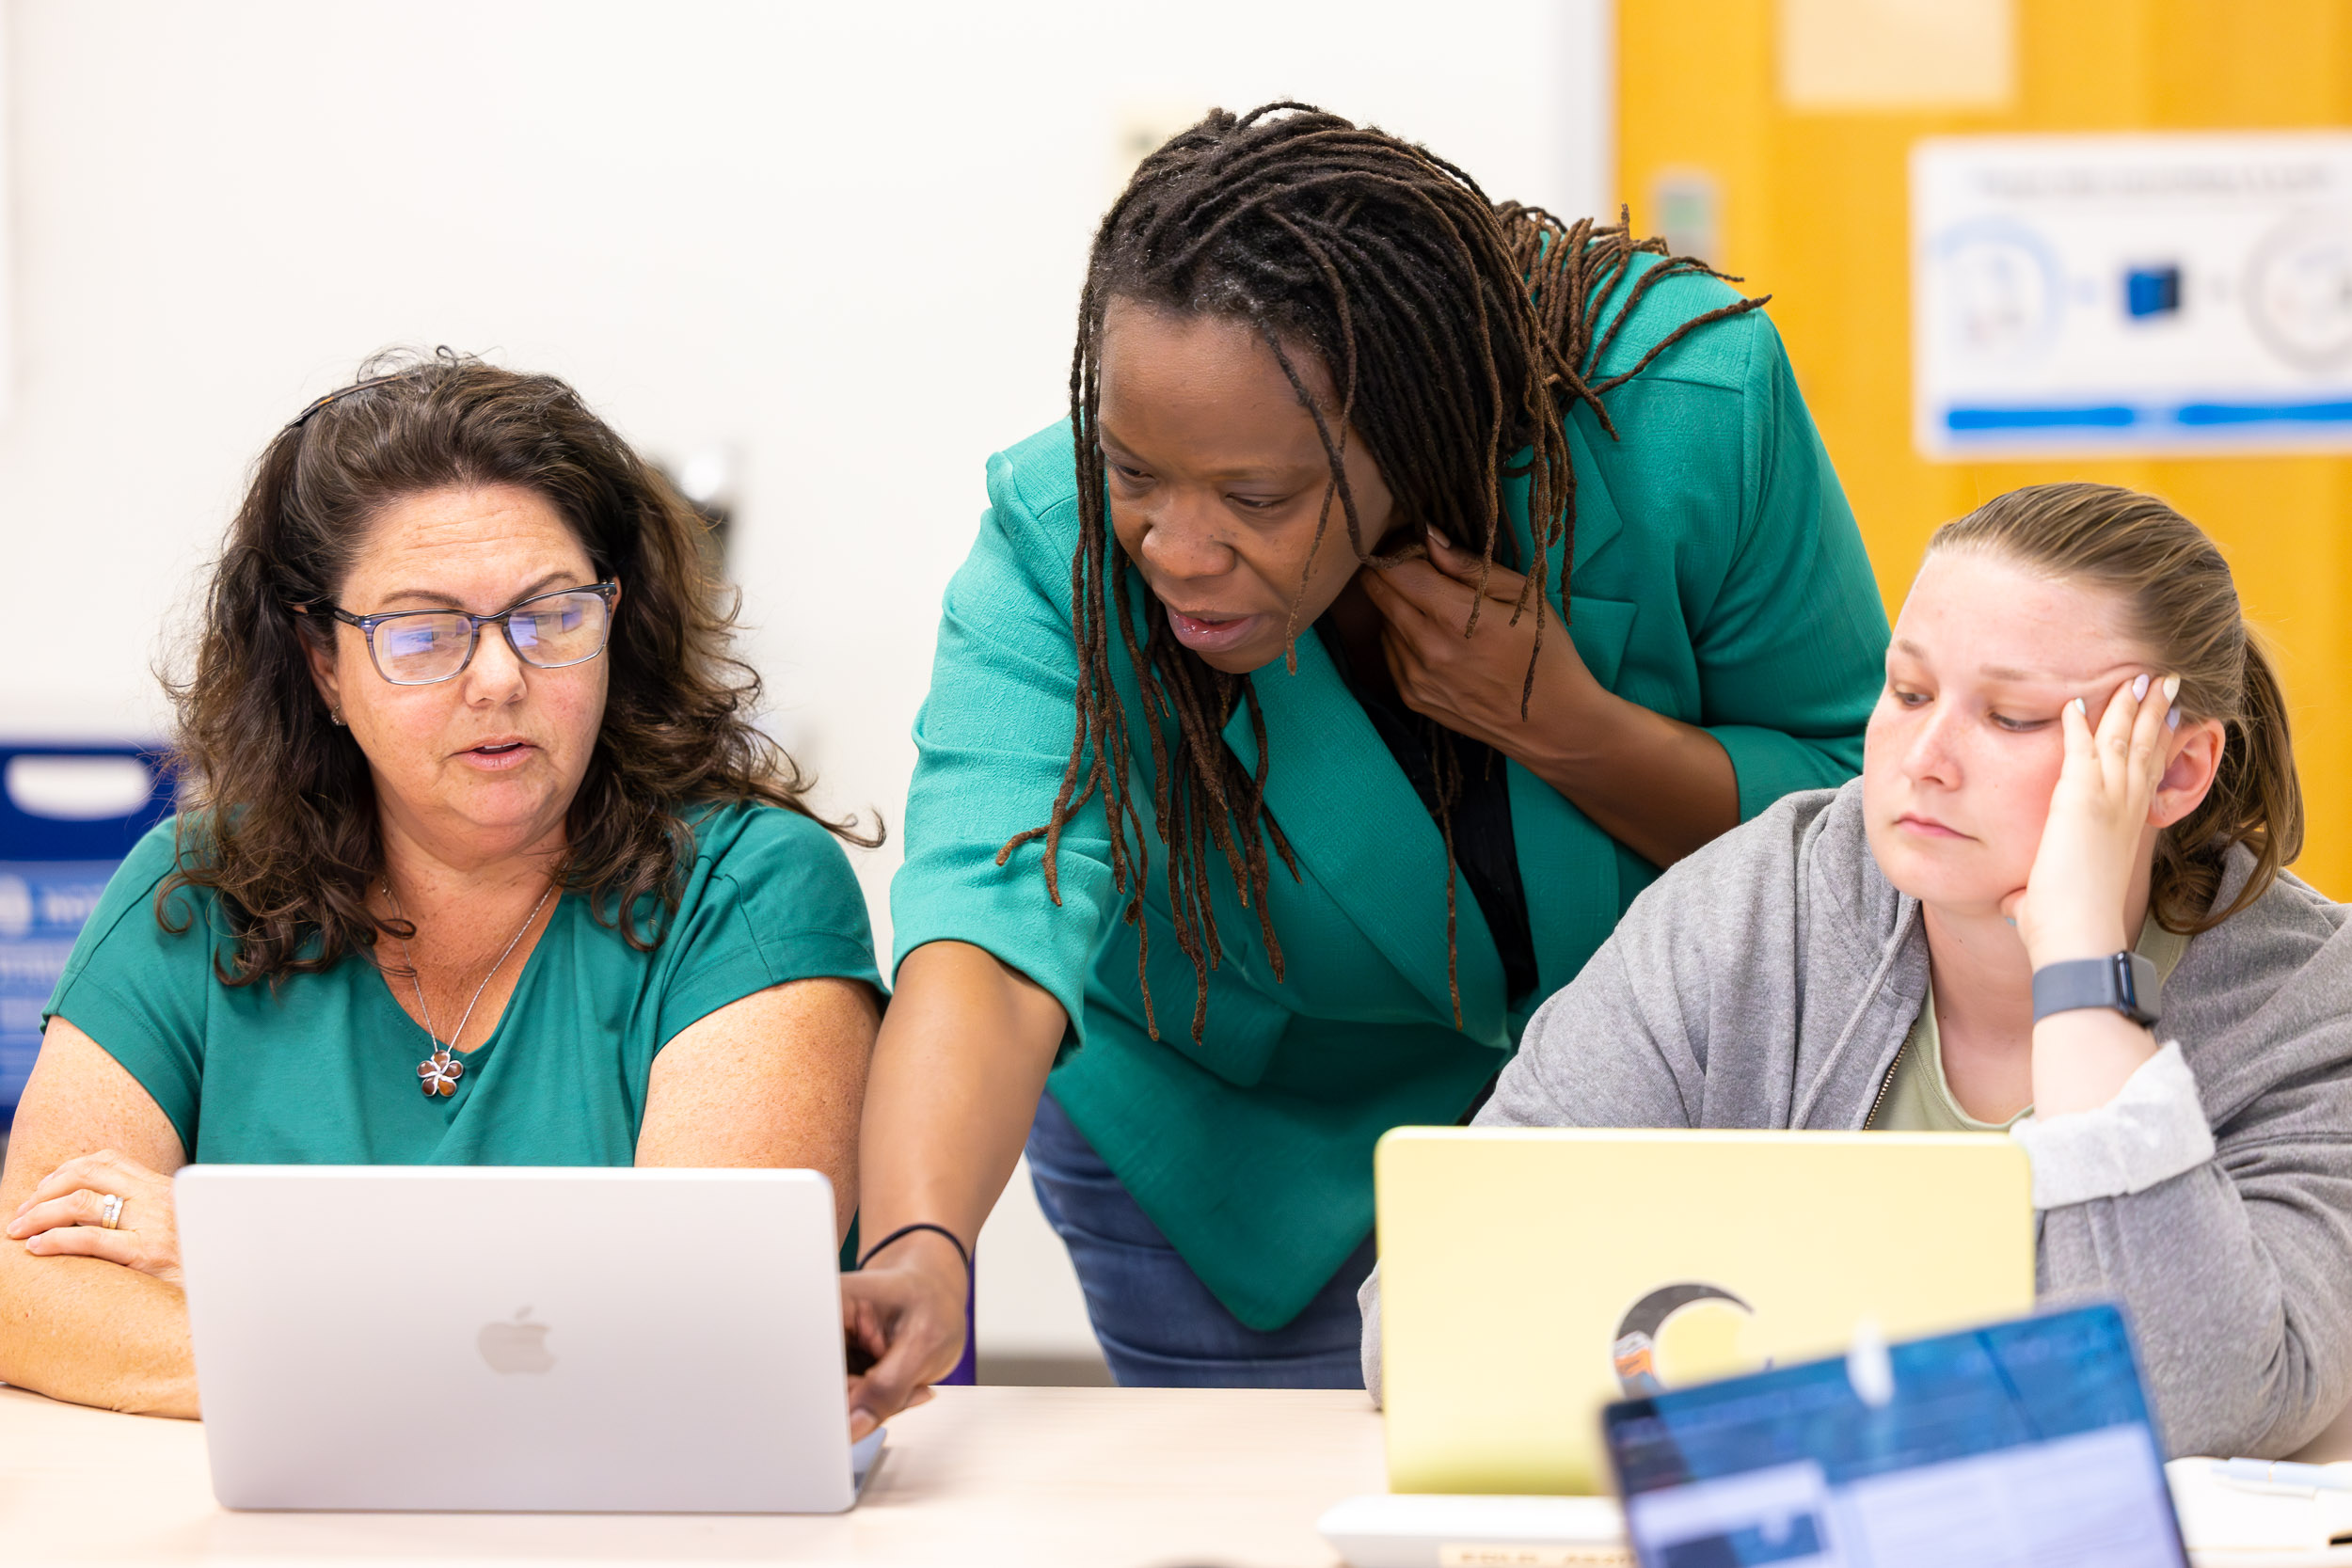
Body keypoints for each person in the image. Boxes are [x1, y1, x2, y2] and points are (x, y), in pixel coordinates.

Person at [844, 103, 1889, 1420]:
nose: (1174, 545)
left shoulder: (1685, 414)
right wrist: (920, 1246)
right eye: (1132, 471)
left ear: (1410, 428)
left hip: (1639, 1112)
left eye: (1258, 498)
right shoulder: (1058, 545)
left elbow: (1856, 820)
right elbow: (988, 936)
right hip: (1250, 1152)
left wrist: (1574, 727)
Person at [1361, 481, 2352, 1459]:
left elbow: (2209, 1404)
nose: (1923, 755)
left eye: (2010, 717)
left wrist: (2084, 965)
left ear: (2175, 772)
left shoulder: (2307, 1001)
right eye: (1909, 691)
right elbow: (1421, 1315)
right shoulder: (1755, 906)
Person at [0, 354, 883, 1418]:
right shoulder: (198, 886)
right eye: (423, 633)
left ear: (618, 615)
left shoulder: (748, 888)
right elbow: (28, 1289)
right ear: (323, 662)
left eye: (551, 614)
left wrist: (263, 1264)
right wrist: (428, 1357)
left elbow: (692, 1322)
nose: (502, 676)